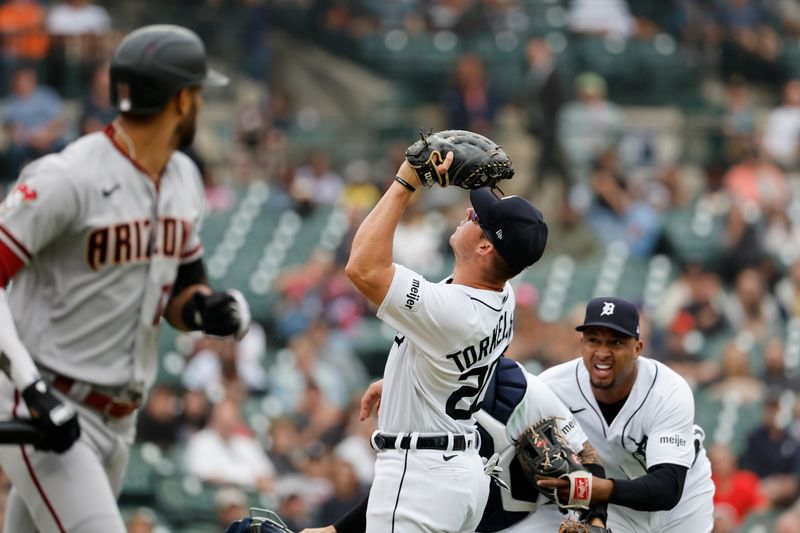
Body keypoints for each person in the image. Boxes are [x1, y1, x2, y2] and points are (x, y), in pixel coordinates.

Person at [0, 25, 251, 533]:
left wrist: (206, 310)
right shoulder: (68, 177)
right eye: (199, 94)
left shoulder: (182, 176)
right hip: (49, 407)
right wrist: (31, 388)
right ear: (182, 100)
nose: (199, 105)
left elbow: (183, 291)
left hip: (120, 415)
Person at [343, 152, 548, 532]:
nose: (466, 214)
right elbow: (459, 364)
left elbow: (363, 267)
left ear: (486, 248)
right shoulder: (503, 296)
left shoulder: (457, 312)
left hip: (422, 477)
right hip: (459, 474)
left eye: (476, 219)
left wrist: (406, 182)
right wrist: (405, 383)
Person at [269, 356, 610, 533]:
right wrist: (338, 529)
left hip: (533, 520)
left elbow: (588, 459)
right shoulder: (416, 394)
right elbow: (402, 487)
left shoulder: (517, 387)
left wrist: (595, 520)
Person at [534, 296, 715, 532]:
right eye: (593, 341)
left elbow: (667, 489)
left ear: (637, 348)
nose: (602, 352)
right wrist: (594, 510)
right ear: (581, 343)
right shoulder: (551, 387)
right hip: (614, 503)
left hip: (682, 496)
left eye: (615, 343)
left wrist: (596, 489)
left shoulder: (668, 390)